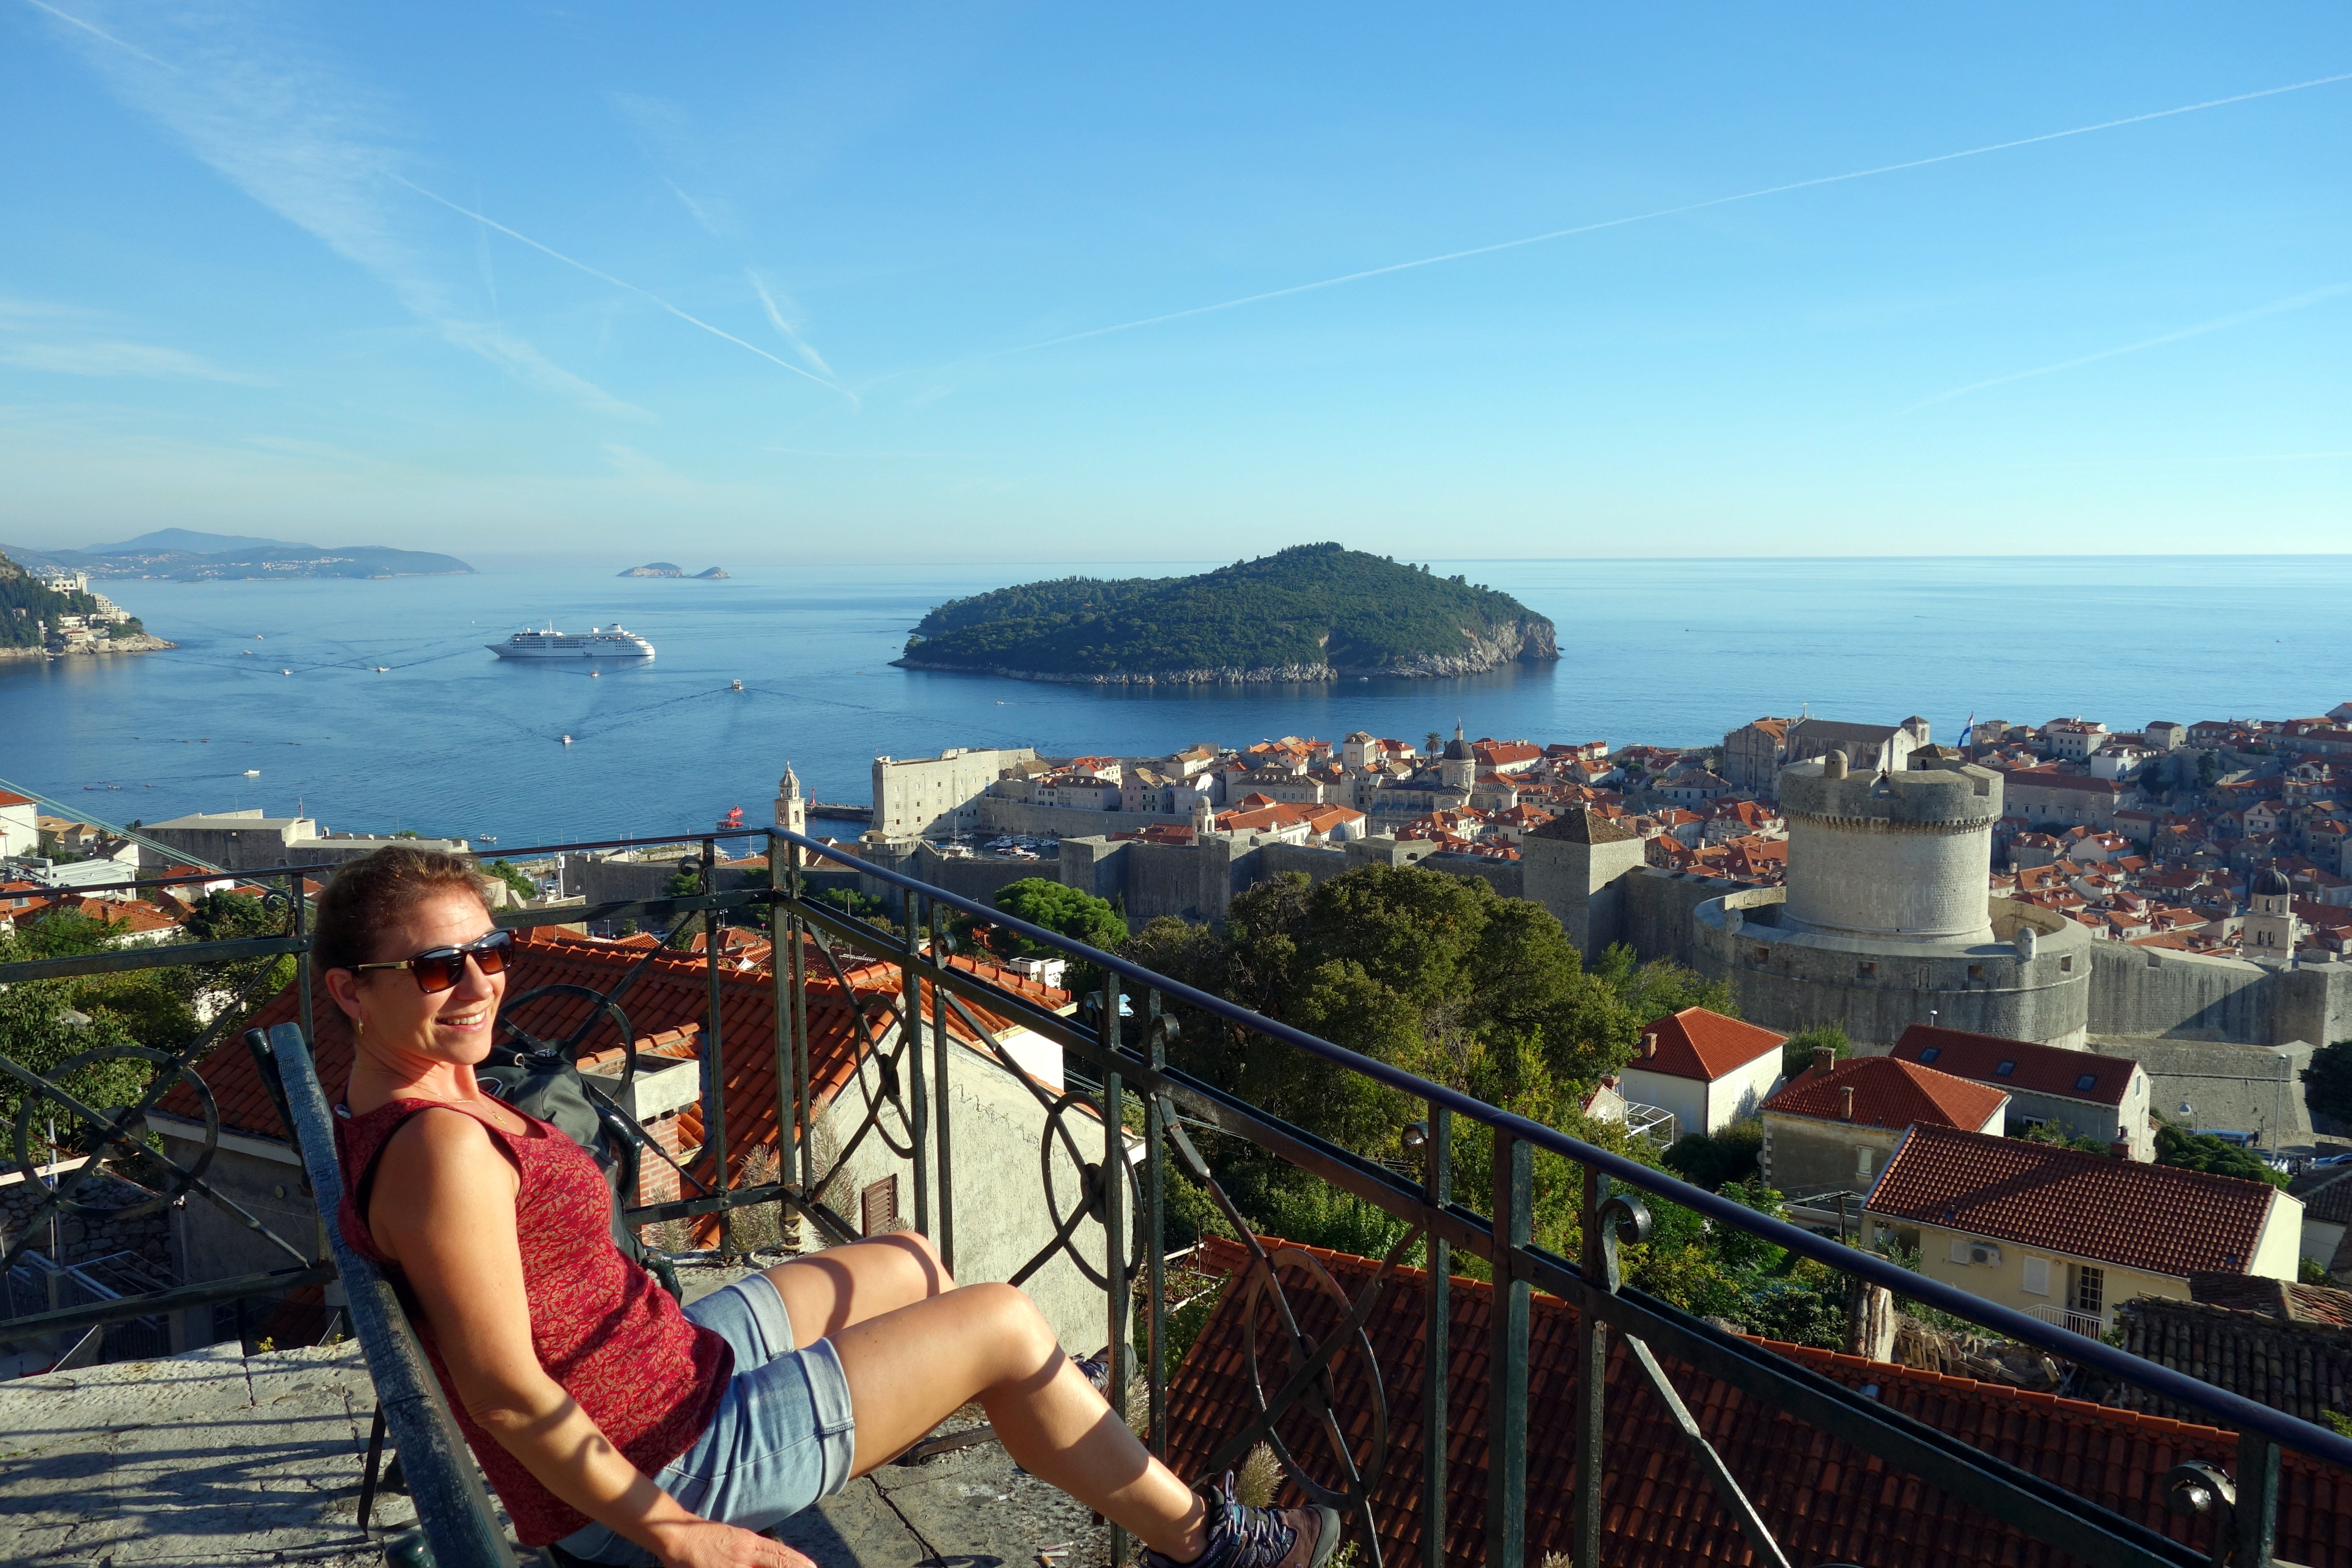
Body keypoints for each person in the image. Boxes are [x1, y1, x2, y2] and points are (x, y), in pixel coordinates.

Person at [317, 846, 1335, 1568]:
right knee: (1005, 1324)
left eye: (491, 952)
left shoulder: (426, 1100)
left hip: (663, 1370)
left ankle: (1036, 1411)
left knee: (907, 1262)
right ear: (351, 993)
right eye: (436, 968)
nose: (478, 984)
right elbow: (504, 1394)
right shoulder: (441, 1151)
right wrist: (678, 1535)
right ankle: (1211, 1545)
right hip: (665, 1460)